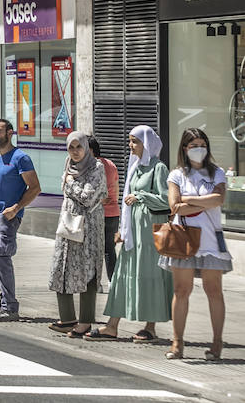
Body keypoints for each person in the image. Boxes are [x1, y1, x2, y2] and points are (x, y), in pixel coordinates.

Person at [90, 125, 172, 343]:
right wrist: (122, 229)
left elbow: (167, 200)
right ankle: (112, 326)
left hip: (150, 233)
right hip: (133, 234)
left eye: (135, 141)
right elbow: (126, 199)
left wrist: (141, 196)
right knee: (121, 278)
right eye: (130, 141)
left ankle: (150, 327)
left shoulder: (158, 167)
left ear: (147, 143)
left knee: (150, 277)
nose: (130, 145)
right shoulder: (135, 167)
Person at [161, 128, 232, 361]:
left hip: (211, 240)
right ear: (184, 148)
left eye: (202, 144)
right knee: (181, 290)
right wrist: (204, 202)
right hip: (184, 239)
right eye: (193, 145)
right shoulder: (177, 175)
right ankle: (177, 342)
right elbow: (174, 206)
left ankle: (217, 343)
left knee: (214, 291)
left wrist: (187, 200)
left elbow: (219, 199)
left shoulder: (217, 173)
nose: (198, 149)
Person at [48, 131, 106, 338]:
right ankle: (67, 318)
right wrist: (69, 180)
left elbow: (87, 197)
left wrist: (69, 182)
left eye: (78, 147)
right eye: (71, 147)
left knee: (88, 271)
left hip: (89, 227)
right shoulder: (68, 164)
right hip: (68, 223)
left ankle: (85, 321)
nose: (75, 151)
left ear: (85, 147)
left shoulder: (96, 167)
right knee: (61, 267)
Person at [0, 118, 40, 322]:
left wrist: (16, 208)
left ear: (10, 133)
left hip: (7, 218)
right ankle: (3, 302)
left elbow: (35, 188)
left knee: (2, 258)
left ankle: (10, 307)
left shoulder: (21, 158)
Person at [89, 137, 120, 281]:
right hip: (113, 212)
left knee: (94, 250)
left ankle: (95, 283)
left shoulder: (93, 166)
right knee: (109, 249)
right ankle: (113, 282)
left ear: (91, 150)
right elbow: (117, 189)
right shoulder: (111, 164)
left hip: (98, 212)